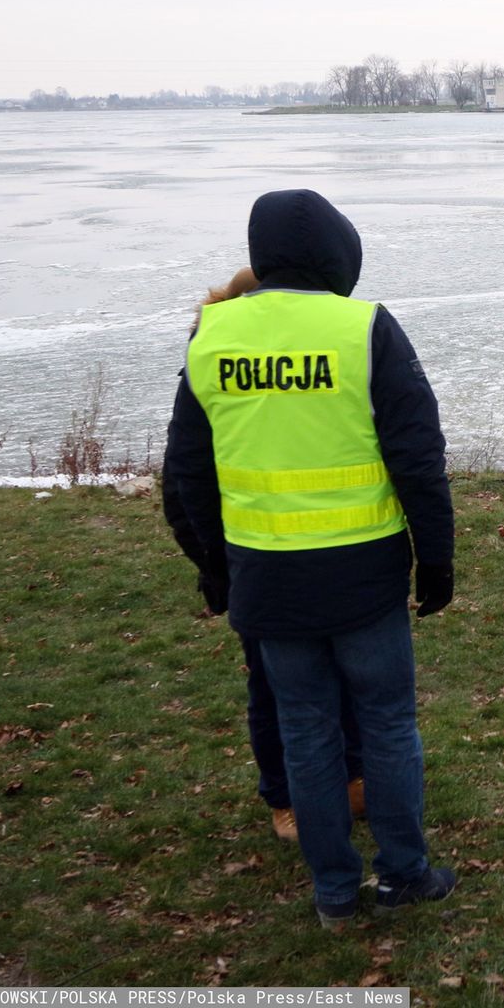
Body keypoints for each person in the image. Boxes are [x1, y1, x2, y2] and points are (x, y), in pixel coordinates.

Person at [166, 191, 456, 930]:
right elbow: (417, 459)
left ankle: (334, 894)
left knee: (305, 732)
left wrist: (214, 566)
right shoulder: (363, 327)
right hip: (363, 575)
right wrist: (437, 560)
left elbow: (188, 476)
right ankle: (403, 874)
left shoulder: (212, 335)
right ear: (340, 254)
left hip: (267, 578)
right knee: (387, 725)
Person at [160, 269, 365, 844]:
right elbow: (184, 478)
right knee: (274, 686)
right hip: (254, 559)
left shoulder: (312, 361)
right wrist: (213, 564)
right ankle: (284, 798)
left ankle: (351, 776)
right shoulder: (211, 366)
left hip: (329, 551)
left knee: (342, 675)